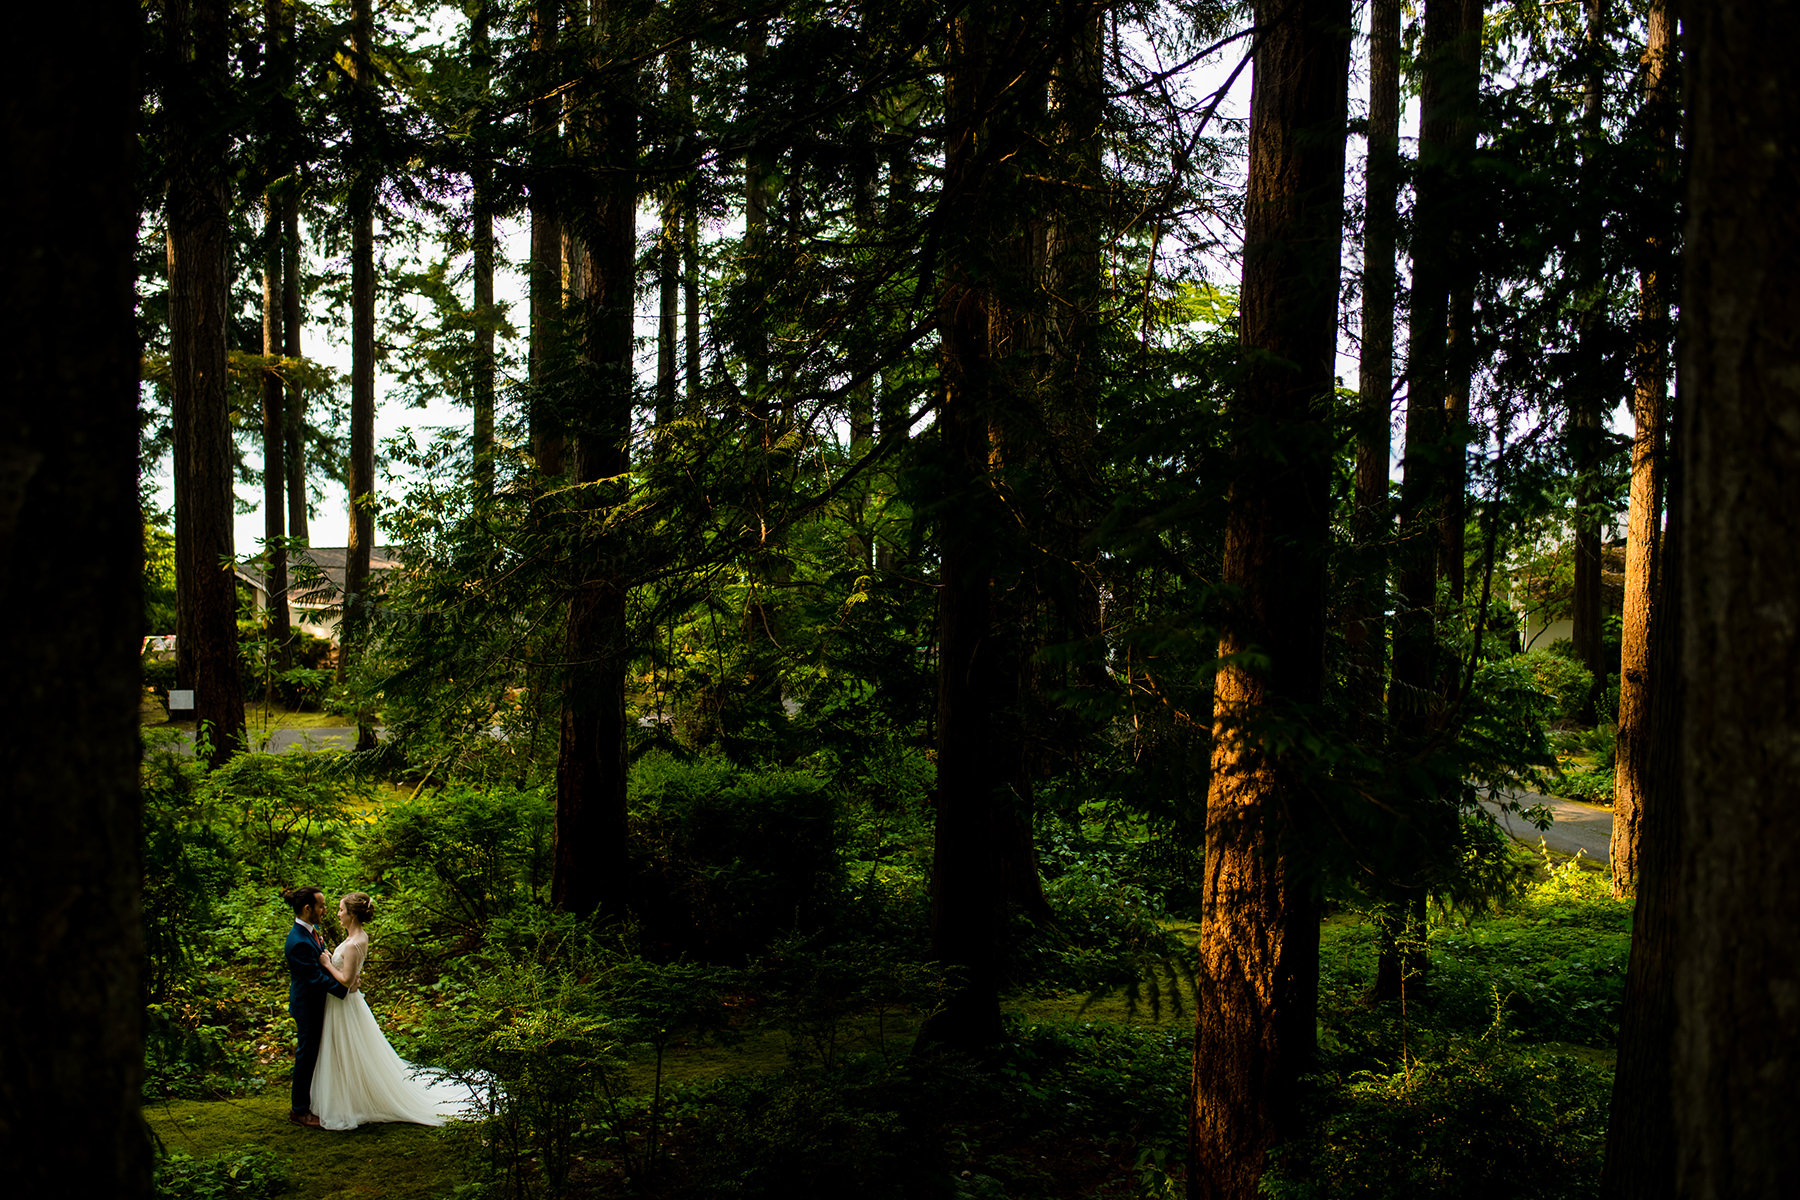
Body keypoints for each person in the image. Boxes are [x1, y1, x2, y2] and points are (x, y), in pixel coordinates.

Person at [309, 891, 469, 1130]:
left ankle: (353, 1099)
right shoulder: (357, 937)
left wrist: (326, 964)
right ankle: (351, 1094)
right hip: (345, 1003)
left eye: (342, 910)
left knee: (348, 1049)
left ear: (352, 914)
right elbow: (351, 976)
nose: (338, 914)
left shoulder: (354, 943)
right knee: (347, 1051)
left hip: (344, 1005)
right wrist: (334, 961)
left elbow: (345, 980)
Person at [283, 886, 349, 1128]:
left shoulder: (311, 931)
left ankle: (313, 1103)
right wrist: (343, 989)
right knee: (306, 1055)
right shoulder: (297, 941)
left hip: (317, 1002)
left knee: (314, 1053)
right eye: (321, 906)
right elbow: (314, 978)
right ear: (307, 908)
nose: (325, 910)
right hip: (307, 1005)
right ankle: (299, 1111)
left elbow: (320, 963)